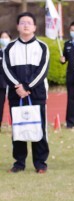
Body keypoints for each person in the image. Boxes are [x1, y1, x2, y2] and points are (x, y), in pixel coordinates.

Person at [2, 12, 50, 174]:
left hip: (37, 94)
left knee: (39, 127)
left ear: (35, 27)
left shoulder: (42, 47)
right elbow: (6, 69)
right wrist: (18, 87)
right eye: (22, 22)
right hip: (16, 95)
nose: (26, 25)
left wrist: (28, 87)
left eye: (29, 23)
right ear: (17, 26)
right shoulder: (9, 48)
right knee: (18, 128)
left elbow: (42, 70)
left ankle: (40, 163)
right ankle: (19, 162)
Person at [0, 31, 10, 128]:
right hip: (1, 84)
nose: (4, 39)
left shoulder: (13, 51)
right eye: (2, 37)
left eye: (6, 37)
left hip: (13, 84)